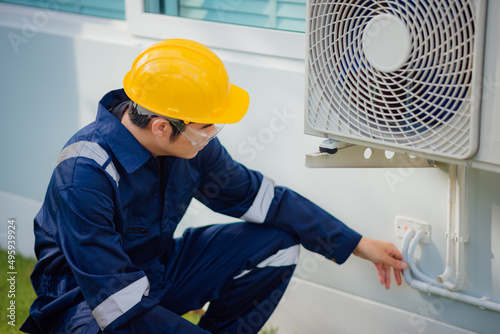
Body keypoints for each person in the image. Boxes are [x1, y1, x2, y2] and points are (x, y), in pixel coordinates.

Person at [21, 39, 407, 334]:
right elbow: (115, 300)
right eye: (207, 125)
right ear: (161, 126)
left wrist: (358, 244)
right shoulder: (84, 173)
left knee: (278, 243)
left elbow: (265, 200)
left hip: (155, 271)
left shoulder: (190, 146)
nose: (213, 134)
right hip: (86, 299)